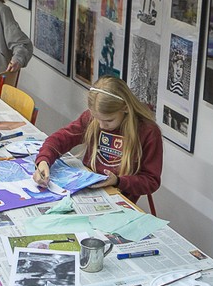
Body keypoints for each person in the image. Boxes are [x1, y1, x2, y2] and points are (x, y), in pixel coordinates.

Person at [33, 76, 162, 204]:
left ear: (125, 108)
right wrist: (44, 161)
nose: (101, 125)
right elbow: (59, 139)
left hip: (118, 198)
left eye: (108, 120)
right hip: (86, 190)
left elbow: (151, 181)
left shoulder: (147, 132)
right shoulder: (92, 119)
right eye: (96, 118)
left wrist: (118, 181)